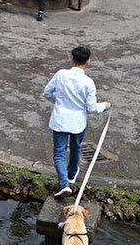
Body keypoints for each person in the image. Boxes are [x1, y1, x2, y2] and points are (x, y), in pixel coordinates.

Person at [44, 46, 111, 198]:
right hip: (77, 122)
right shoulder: (88, 82)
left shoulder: (60, 74)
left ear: (72, 60)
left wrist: (59, 100)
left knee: (59, 153)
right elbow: (92, 107)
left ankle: (63, 184)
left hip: (60, 119)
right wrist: (105, 106)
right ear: (88, 62)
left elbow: (47, 92)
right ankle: (72, 174)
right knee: (76, 148)